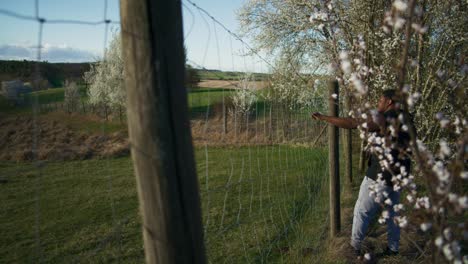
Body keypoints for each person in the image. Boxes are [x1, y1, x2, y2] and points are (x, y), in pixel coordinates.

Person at [311, 89, 412, 259]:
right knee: (393, 213)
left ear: (389, 102)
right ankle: (393, 249)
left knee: (361, 211)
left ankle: (354, 248)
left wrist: (324, 117)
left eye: (380, 100)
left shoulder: (385, 118)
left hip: (380, 176)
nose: (378, 103)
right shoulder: (406, 118)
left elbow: (352, 123)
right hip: (399, 176)